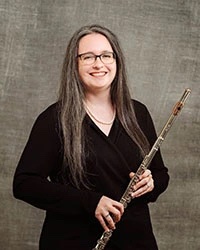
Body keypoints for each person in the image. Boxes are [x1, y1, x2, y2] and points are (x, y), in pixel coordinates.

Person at [13, 24, 169, 250]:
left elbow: (162, 174)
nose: (99, 64)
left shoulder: (138, 113)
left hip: (135, 241)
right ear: (74, 65)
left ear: (116, 61)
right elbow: (24, 184)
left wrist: (152, 183)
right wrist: (90, 202)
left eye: (106, 55)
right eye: (87, 57)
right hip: (73, 242)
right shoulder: (54, 119)